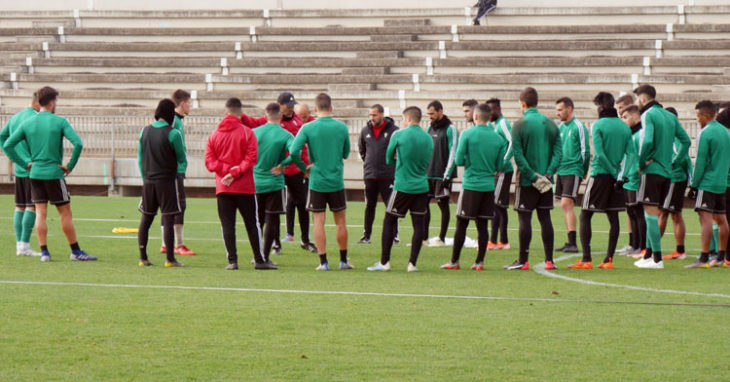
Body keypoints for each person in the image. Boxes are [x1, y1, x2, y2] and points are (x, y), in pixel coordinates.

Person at [2, 86, 95, 262]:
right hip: (54, 173)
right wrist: (70, 165)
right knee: (65, 212)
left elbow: (7, 145)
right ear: (52, 102)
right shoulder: (59, 122)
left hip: (35, 174)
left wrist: (25, 163)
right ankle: (75, 251)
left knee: (40, 212)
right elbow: (78, 143)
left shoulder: (28, 123)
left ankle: (44, 252)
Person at [205, 98, 276, 270]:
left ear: (225, 112)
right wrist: (235, 172)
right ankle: (259, 259)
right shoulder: (247, 133)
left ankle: (232, 260)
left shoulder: (214, 135)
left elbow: (209, 162)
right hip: (244, 187)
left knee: (227, 224)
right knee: (252, 223)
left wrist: (226, 171)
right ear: (240, 113)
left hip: (223, 187)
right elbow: (251, 158)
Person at [240, 92, 316, 254]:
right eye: (287, 105)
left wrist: (304, 167)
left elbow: (312, 128)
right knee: (273, 211)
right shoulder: (268, 122)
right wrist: (239, 114)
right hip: (276, 173)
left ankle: (305, 240)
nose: (290, 108)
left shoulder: (298, 120)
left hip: (295, 171)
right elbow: (251, 122)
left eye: (292, 105)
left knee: (302, 205)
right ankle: (275, 243)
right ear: (279, 106)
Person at [288, 93, 352, 271]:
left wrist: (305, 167)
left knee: (318, 221)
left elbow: (294, 151)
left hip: (317, 180)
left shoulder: (308, 127)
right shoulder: (341, 128)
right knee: (340, 221)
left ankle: (323, 262)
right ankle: (343, 260)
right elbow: (346, 153)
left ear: (315, 109)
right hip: (336, 180)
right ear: (331, 108)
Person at [568, 92, 631, 270]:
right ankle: (608, 259)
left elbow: (601, 154)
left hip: (601, 174)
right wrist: (622, 175)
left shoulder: (598, 125)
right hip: (617, 177)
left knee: (586, 214)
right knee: (613, 216)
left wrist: (611, 172)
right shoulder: (624, 127)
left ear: (601, 107)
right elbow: (632, 154)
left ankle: (587, 259)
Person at [367, 106, 433, 272]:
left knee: (389, 220)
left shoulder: (399, 134)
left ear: (409, 119)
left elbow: (388, 157)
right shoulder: (428, 138)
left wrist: (399, 158)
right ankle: (412, 264)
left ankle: (385, 262)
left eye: (404, 119)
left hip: (403, 185)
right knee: (418, 224)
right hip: (421, 186)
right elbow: (428, 160)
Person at [633, 84, 691, 269]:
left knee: (650, 215)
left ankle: (656, 259)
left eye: (637, 99)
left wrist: (641, 164)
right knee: (655, 213)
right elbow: (686, 141)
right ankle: (649, 255)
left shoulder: (648, 115)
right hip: (667, 173)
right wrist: (675, 161)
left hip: (652, 171)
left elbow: (648, 140)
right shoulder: (670, 116)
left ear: (642, 98)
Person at [441, 103, 505, 271]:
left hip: (471, 185)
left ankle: (454, 261)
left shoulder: (467, 134)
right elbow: (500, 165)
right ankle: (479, 262)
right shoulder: (498, 138)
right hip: (488, 186)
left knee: (462, 223)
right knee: (482, 225)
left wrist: (471, 161)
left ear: (476, 116)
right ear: (489, 117)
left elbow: (459, 160)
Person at [504, 87, 562, 271]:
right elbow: (558, 152)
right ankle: (549, 260)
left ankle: (523, 259)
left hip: (527, 181)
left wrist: (531, 175)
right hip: (546, 180)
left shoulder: (519, 125)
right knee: (545, 218)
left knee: (525, 219)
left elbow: (518, 155)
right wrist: (548, 173)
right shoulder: (551, 124)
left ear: (522, 103)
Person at [135, 99, 187, 268]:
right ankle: (170, 259)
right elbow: (181, 158)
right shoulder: (173, 133)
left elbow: (140, 158)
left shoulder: (144, 131)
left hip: (149, 181)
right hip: (167, 181)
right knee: (169, 218)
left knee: (146, 218)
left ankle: (143, 257)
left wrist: (145, 178)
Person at [254, 103, 305, 260]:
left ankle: (257, 255)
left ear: (266, 115)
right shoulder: (285, 134)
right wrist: (283, 164)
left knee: (258, 220)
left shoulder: (254, 132)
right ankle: (266, 255)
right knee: (272, 218)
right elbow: (296, 151)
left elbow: (244, 151)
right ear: (280, 116)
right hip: (274, 182)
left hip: (255, 181)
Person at [685, 101, 730, 268]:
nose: (697, 119)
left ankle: (704, 257)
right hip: (721, 182)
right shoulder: (726, 133)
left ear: (705, 115)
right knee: (722, 219)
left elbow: (701, 161)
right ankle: (721, 257)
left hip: (708, 182)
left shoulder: (706, 133)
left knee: (706, 219)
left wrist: (694, 185)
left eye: (698, 116)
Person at [0, 92, 41, 257]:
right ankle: (24, 246)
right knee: (32, 206)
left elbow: (2, 137)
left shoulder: (16, 118)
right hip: (33, 168)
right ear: (39, 103)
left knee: (20, 206)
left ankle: (19, 245)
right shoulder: (35, 119)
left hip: (20, 169)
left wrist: (14, 156)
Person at [159, 89, 196, 256]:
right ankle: (178, 244)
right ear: (182, 104)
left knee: (169, 206)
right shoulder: (174, 121)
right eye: (189, 103)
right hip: (174, 170)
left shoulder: (176, 120)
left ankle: (166, 244)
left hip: (172, 170)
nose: (191, 106)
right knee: (179, 205)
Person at [357, 104, 399, 244]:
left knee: (390, 206)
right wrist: (369, 163)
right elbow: (362, 150)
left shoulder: (394, 131)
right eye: (370, 115)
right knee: (369, 206)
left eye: (374, 115)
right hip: (370, 175)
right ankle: (366, 235)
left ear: (382, 114)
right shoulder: (365, 131)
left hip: (388, 175)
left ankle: (394, 236)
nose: (372, 118)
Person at [554, 97, 590, 253]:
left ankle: (573, 243)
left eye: (560, 110)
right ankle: (570, 242)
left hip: (573, 169)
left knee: (566, 204)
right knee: (564, 205)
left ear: (569, 109)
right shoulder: (560, 127)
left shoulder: (579, 126)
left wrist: (583, 171)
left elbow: (585, 151)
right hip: (561, 171)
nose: (558, 113)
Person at [657, 106, 691, 261]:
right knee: (674, 214)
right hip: (672, 178)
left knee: (664, 212)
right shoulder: (671, 136)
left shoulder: (674, 137)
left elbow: (683, 158)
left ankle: (652, 250)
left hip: (674, 179)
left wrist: (672, 164)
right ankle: (679, 250)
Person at [425, 100, 458, 247]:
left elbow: (454, 151)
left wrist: (447, 174)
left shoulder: (451, 129)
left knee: (443, 205)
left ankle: (442, 238)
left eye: (432, 113)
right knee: (423, 205)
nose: (430, 116)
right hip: (428, 174)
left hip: (442, 175)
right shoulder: (428, 129)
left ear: (440, 111)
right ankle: (424, 238)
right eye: (428, 114)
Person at [486, 97, 513, 250]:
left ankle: (493, 240)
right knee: (501, 206)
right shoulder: (496, 124)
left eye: (490, 110)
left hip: (503, 171)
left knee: (495, 204)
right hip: (500, 171)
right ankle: (504, 241)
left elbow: (513, 142)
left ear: (497, 109)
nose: (488, 114)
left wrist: (503, 162)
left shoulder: (503, 123)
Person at [620, 105, 647, 258]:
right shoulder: (630, 135)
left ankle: (641, 246)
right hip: (628, 178)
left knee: (638, 212)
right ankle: (635, 245)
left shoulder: (640, 134)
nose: (623, 121)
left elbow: (645, 154)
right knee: (631, 212)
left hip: (635, 179)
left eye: (625, 117)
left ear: (635, 116)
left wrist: (639, 168)